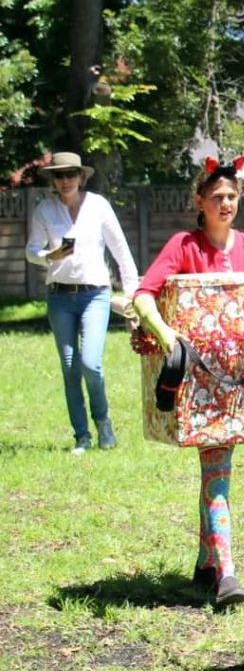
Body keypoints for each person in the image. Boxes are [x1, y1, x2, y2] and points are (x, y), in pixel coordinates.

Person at [132, 157, 244, 609]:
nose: (225, 204)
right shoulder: (184, 245)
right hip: (200, 382)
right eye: (217, 197)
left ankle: (207, 563)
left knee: (217, 470)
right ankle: (226, 573)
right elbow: (145, 294)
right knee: (217, 470)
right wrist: (167, 336)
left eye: (232, 196)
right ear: (199, 202)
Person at [25, 151, 140, 455]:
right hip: (60, 296)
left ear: (81, 177)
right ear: (54, 180)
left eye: (71, 175)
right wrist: (47, 256)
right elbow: (30, 250)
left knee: (91, 363)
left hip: (95, 294)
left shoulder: (98, 205)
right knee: (69, 367)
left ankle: (103, 422)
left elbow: (120, 248)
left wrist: (133, 292)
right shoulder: (44, 210)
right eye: (59, 176)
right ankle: (82, 436)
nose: (65, 181)